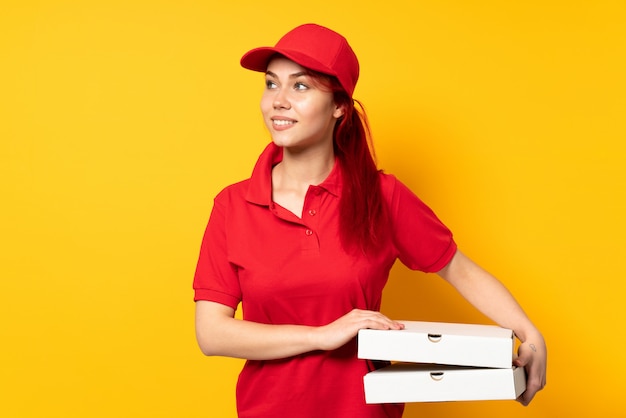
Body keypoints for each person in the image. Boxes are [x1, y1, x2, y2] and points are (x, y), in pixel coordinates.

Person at [193, 23, 546, 418]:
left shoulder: (382, 197)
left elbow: (459, 269)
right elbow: (212, 333)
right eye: (272, 84)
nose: (278, 101)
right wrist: (322, 336)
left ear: (339, 106)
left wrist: (529, 333)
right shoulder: (233, 204)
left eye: (301, 86)